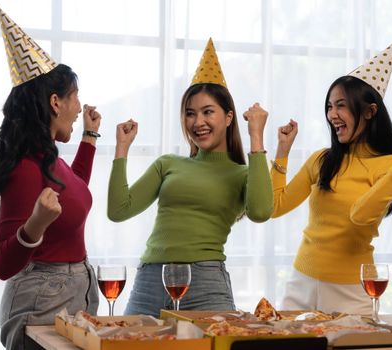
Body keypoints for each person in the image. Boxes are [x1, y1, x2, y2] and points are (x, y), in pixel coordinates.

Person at [107, 38, 273, 317]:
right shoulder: (168, 164)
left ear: (229, 117)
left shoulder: (243, 174)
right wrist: (121, 149)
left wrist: (256, 135)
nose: (198, 122)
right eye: (190, 114)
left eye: (208, 112)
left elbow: (260, 211)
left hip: (205, 282)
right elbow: (118, 210)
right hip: (150, 280)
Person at [271, 39, 392, 314]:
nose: (333, 115)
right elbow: (274, 206)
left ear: (370, 111)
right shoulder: (322, 159)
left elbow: (360, 216)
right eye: (330, 106)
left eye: (341, 105)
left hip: (351, 290)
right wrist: (283, 151)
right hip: (301, 282)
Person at [0, 8, 100, 349]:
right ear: (55, 102)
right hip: (43, 303)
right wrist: (34, 226)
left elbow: (74, 191)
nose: (79, 107)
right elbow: (0, 263)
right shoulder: (25, 167)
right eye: (75, 97)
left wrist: (90, 138)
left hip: (73, 294)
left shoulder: (49, 158)